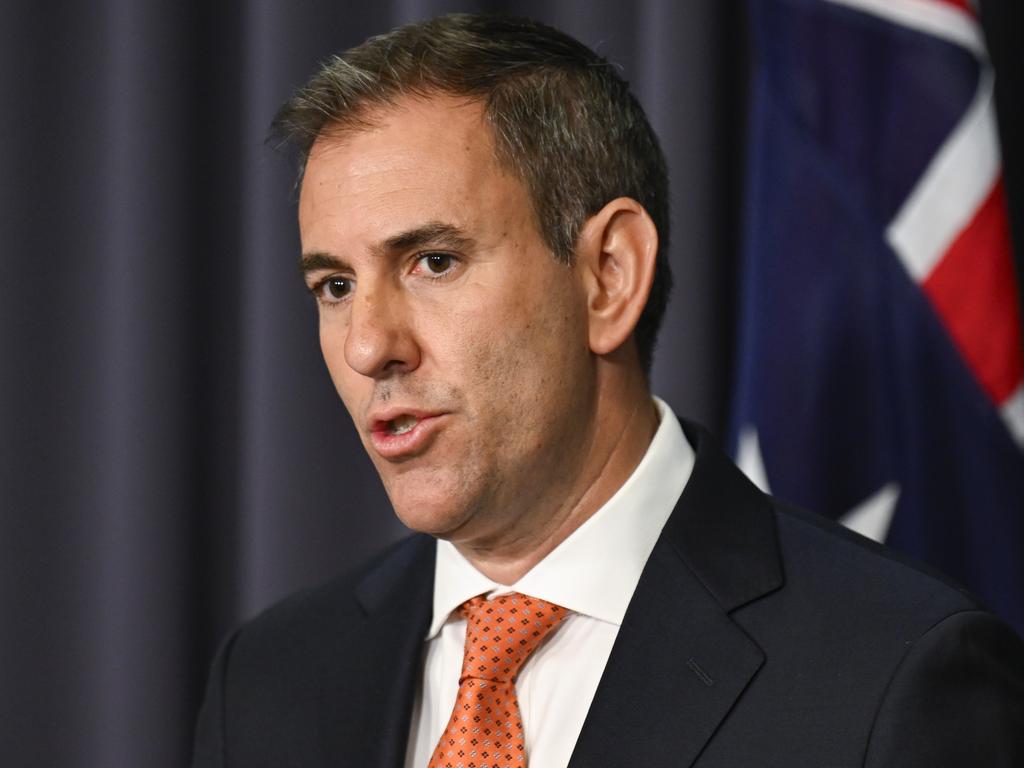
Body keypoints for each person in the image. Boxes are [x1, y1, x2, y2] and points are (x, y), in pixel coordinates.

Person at [193, 13, 1024, 768]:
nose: (370, 345)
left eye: (432, 262)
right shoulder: (271, 680)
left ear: (608, 277)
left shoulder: (893, 674)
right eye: (334, 286)